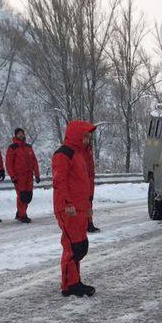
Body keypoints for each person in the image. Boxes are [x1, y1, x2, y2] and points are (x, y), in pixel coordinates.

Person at [52, 120, 98, 297]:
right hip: (68, 209)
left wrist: (87, 207)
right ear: (78, 135)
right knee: (73, 247)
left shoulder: (79, 154)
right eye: (85, 136)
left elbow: (83, 182)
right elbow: (59, 181)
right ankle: (68, 285)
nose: (87, 140)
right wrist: (67, 204)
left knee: (79, 246)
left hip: (79, 208)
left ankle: (74, 281)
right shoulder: (64, 154)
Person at [5, 127, 41, 223]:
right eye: (19, 133)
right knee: (22, 196)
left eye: (22, 133)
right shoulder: (12, 148)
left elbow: (34, 161)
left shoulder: (29, 147)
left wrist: (37, 174)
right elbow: (9, 163)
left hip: (29, 176)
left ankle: (20, 213)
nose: (21, 135)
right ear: (15, 135)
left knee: (28, 196)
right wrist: (12, 176)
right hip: (19, 176)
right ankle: (22, 215)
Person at [84, 139, 99, 233]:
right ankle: (87, 223)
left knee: (89, 202)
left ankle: (89, 223)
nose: (88, 139)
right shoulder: (78, 150)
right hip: (83, 180)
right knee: (85, 203)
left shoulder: (89, 149)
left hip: (89, 180)